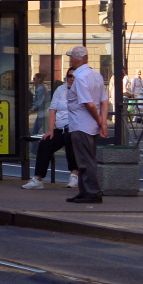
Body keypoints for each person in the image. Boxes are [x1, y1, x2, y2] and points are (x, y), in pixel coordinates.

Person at [23, 69, 79, 189]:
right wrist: (50, 130)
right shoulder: (60, 90)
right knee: (45, 143)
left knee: (70, 140)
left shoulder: (82, 89)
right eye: (69, 76)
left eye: (74, 76)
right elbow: (52, 109)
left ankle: (74, 175)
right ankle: (37, 179)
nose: (72, 79)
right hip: (59, 128)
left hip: (74, 127)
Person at [65, 45, 106, 204]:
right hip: (90, 126)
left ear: (75, 59)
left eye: (71, 57)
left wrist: (99, 120)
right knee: (84, 159)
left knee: (85, 161)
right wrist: (102, 123)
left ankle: (92, 192)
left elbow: (89, 104)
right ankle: (84, 191)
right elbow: (103, 101)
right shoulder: (96, 75)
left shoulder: (80, 78)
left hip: (81, 124)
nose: (71, 60)